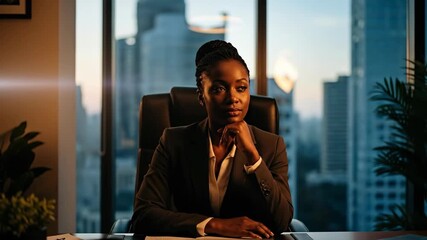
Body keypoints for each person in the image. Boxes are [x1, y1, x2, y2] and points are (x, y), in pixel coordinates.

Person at [131, 40, 293, 238]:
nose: (233, 98)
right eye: (218, 89)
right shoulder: (174, 142)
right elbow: (143, 215)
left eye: (241, 88)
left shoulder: (271, 146)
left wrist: (253, 157)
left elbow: (282, 221)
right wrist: (215, 225)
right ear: (201, 96)